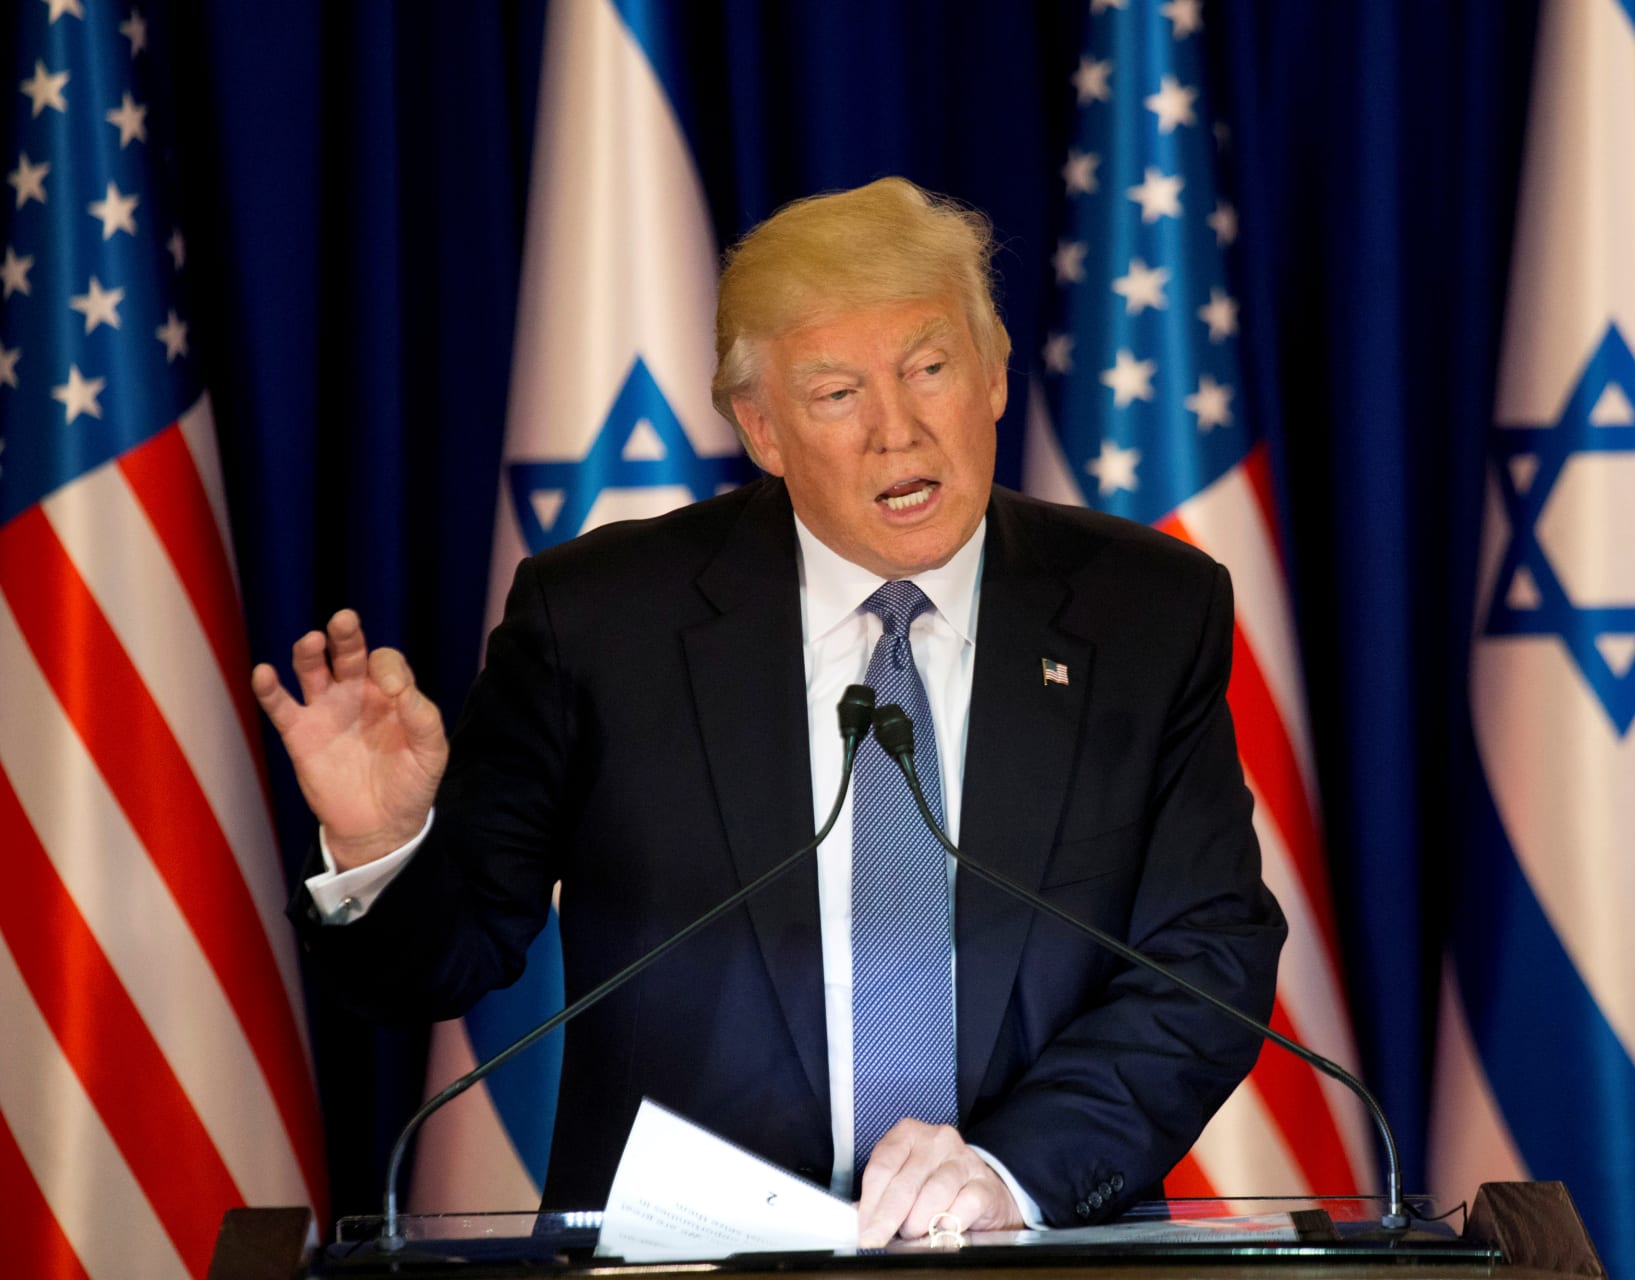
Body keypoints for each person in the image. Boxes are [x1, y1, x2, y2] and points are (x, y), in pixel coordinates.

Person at [255, 177, 1284, 1245]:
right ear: (762, 429)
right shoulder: (602, 622)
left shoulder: (1144, 613)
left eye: (931, 369)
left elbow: (1206, 956)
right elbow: (442, 963)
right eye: (837, 393)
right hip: (685, 1264)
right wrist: (380, 848)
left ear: (994, 375)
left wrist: (1010, 1172)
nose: (898, 431)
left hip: (1026, 1251)